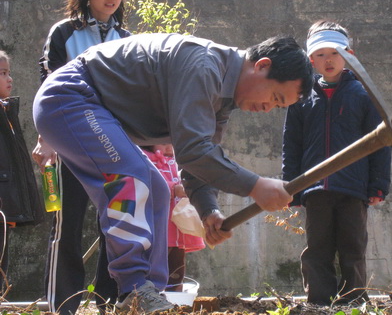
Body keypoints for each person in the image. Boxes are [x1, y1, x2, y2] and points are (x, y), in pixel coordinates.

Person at [32, 32, 314, 313]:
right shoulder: (204, 67)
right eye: (274, 97)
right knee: (133, 178)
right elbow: (193, 150)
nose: (268, 109)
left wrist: (208, 210)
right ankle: (134, 289)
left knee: (156, 186)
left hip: (90, 106)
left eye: (278, 106)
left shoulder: (222, 96)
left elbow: (198, 160)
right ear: (262, 65)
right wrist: (255, 186)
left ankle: (149, 295)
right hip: (69, 96)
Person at [31, 0, 134, 315]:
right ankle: (64, 304)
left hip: (112, 142)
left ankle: (109, 300)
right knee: (68, 224)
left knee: (117, 221)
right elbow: (49, 86)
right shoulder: (63, 33)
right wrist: (46, 138)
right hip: (71, 138)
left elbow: (131, 94)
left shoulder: (127, 38)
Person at [282, 20, 392, 306]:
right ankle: (319, 304)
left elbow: (381, 143)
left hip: (353, 188)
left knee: (352, 247)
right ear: (311, 60)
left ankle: (354, 303)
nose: (328, 60)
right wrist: (291, 186)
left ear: (349, 56)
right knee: (317, 248)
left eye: (335, 53)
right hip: (315, 187)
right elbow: (291, 144)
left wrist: (378, 184)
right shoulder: (302, 98)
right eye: (321, 54)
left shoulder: (363, 95)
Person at [0, 51, 45, 280]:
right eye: (3, 73)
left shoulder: (7, 110)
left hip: (5, 198)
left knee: (2, 254)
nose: (10, 79)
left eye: (9, 73)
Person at [140, 144, 205, 292]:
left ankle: (175, 299)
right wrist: (173, 189)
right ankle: (151, 297)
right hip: (157, 229)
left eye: (173, 141)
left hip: (177, 231)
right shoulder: (145, 159)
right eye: (164, 142)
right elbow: (147, 185)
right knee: (153, 267)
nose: (170, 146)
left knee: (176, 269)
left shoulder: (178, 161)